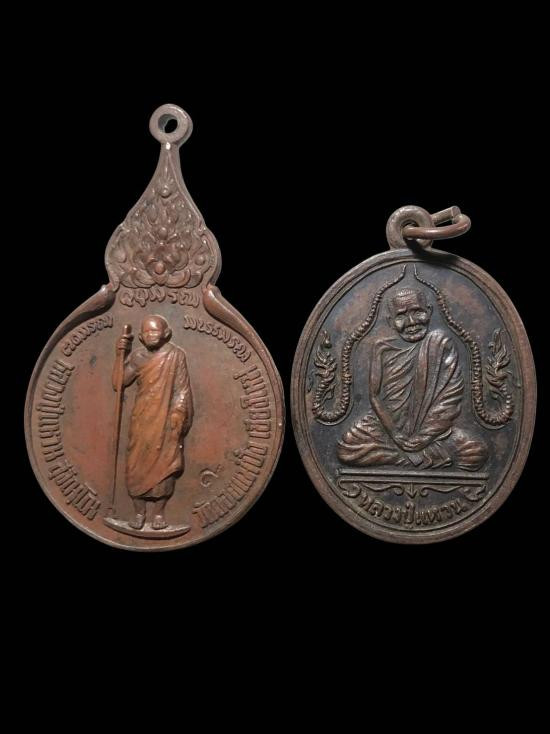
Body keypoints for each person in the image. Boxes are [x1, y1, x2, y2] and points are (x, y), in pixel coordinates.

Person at [337, 288, 487, 470]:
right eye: (401, 316)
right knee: (347, 449)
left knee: (476, 453)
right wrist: (395, 434)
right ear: (390, 322)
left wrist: (424, 437)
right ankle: (425, 459)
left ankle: (417, 457)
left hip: (433, 430)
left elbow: (450, 398)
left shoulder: (440, 343)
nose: (411, 322)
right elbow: (375, 396)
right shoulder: (381, 348)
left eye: (417, 312)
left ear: (429, 312)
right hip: (386, 425)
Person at [113, 314, 193, 529]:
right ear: (140, 336)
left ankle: (158, 514)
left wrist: (178, 414)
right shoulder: (138, 357)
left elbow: (182, 389)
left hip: (166, 419)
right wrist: (120, 355)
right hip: (142, 419)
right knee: (135, 465)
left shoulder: (176, 356)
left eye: (155, 330)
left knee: (165, 464)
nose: (150, 335)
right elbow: (119, 383)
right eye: (146, 332)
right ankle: (139, 513)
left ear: (166, 333)